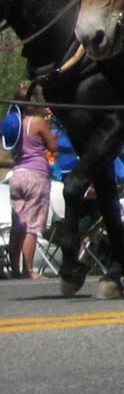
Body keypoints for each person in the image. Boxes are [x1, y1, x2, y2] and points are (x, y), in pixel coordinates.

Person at [7, 89, 58, 279]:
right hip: (36, 174)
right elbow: (52, 146)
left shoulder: (15, 123)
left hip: (17, 174)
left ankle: (15, 268)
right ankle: (29, 270)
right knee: (32, 225)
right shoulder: (37, 122)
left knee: (18, 224)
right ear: (33, 102)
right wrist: (51, 133)